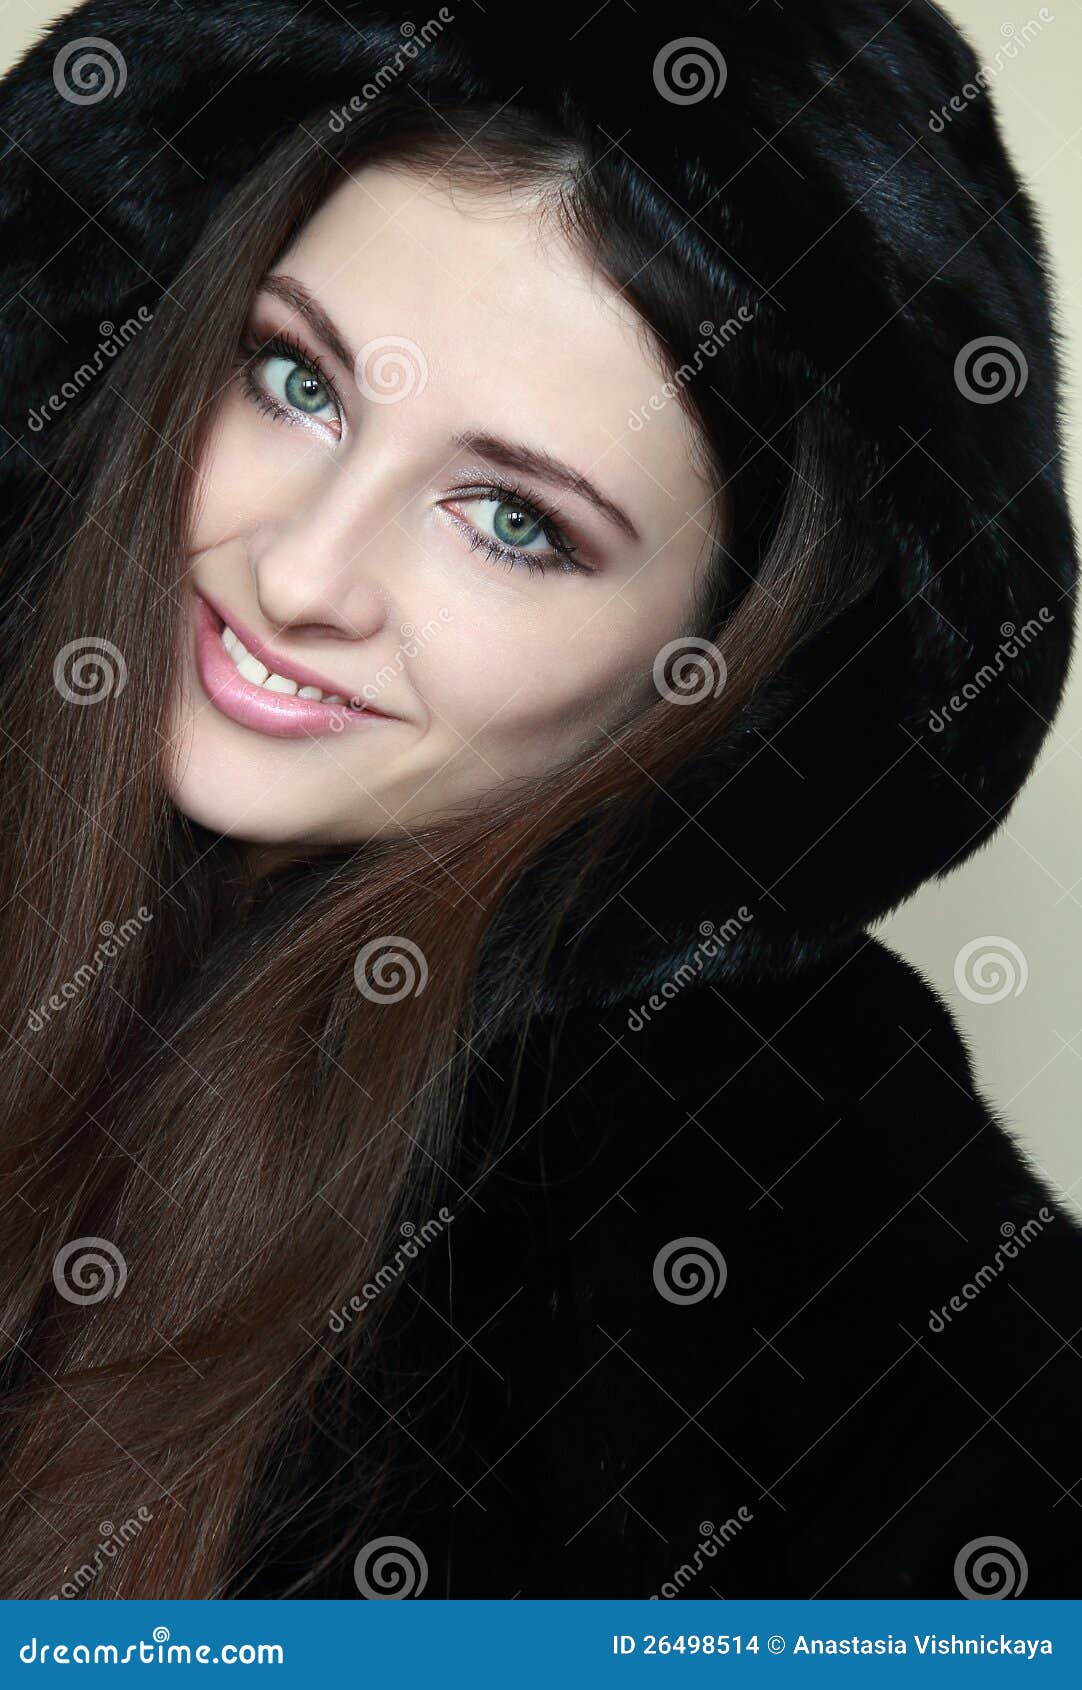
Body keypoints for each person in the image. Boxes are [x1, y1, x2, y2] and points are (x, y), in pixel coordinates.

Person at [0, 0, 1079, 1601]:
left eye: (511, 522)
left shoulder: (827, 1278)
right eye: (296, 382)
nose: (298, 573)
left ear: (713, 660)